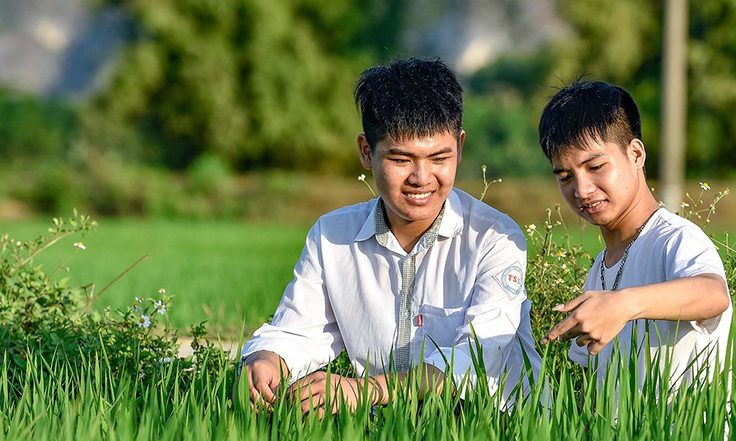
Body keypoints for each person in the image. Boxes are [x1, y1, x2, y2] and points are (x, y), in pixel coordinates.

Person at [236, 57, 542, 415]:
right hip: (389, 430)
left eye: (439, 158)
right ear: (367, 152)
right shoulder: (332, 235)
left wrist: (363, 390)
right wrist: (266, 359)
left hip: (496, 428)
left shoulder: (495, 238)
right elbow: (299, 330)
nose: (422, 178)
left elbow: (476, 357)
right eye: (401, 160)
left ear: (459, 146)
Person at [537, 79, 732, 392]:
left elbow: (713, 294)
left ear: (636, 154)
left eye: (596, 166)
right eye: (565, 177)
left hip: (685, 440)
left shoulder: (674, 239)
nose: (582, 189)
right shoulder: (599, 270)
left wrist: (623, 304)